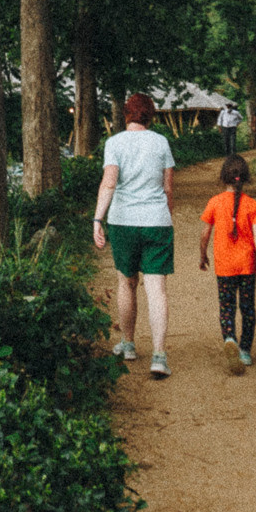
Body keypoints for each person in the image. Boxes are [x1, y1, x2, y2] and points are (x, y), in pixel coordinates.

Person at [93, 93, 178, 378]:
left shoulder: (114, 143)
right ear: (150, 116)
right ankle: (159, 356)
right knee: (157, 289)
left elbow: (109, 183)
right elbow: (168, 188)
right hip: (156, 222)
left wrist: (97, 219)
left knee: (126, 282)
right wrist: (166, 217)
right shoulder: (161, 142)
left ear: (126, 114)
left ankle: (128, 344)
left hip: (123, 222)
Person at [197, 154, 256, 375]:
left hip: (225, 267)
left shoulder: (215, 202)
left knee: (226, 306)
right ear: (245, 178)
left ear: (223, 177)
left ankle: (230, 338)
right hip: (248, 266)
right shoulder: (252, 205)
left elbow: (205, 234)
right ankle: (245, 351)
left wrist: (203, 255)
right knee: (247, 308)